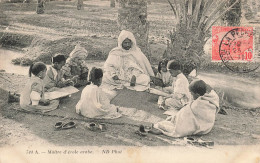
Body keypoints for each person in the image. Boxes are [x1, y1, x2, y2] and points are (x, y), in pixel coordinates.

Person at [153, 80, 220, 137]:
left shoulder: (196, 105)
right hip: (208, 125)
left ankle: (162, 127)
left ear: (197, 94)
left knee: (175, 127)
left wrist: (175, 118)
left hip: (201, 128)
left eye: (191, 93)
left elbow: (185, 115)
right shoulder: (212, 96)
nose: (191, 95)